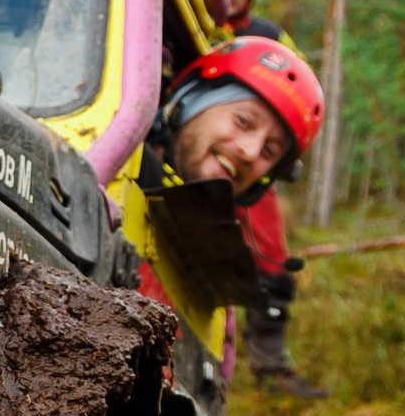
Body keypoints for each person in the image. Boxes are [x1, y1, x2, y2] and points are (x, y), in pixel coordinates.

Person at [134, 35, 329, 396]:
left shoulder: (219, 296)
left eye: (270, 150)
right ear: (190, 102)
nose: (250, 151)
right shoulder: (100, 158)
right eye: (243, 121)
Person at [207, 0, 320, 394]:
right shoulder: (188, 28)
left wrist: (285, 153)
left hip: (251, 174)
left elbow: (300, 91)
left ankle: (271, 368)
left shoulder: (270, 37)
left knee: (271, 260)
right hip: (189, 164)